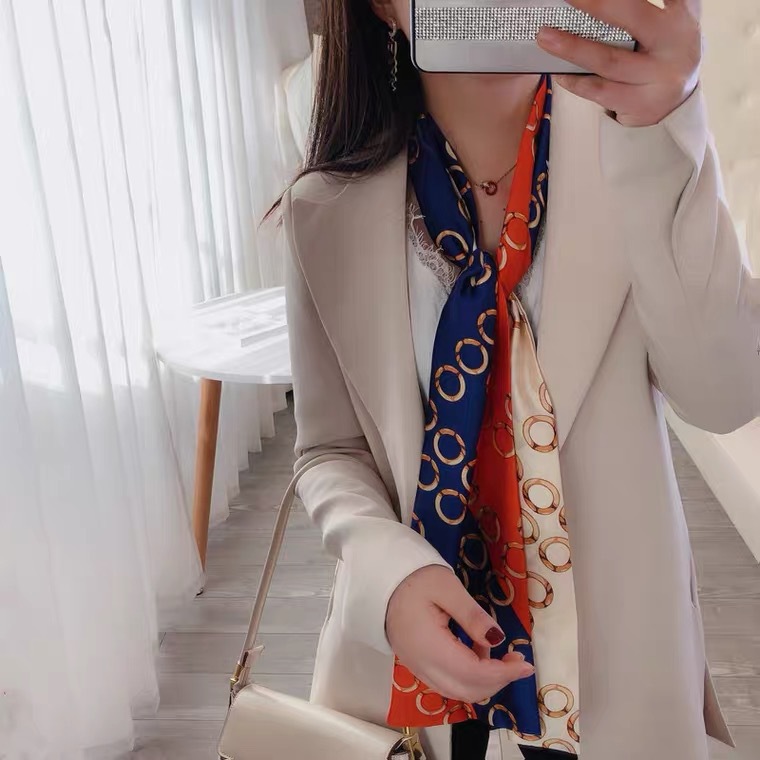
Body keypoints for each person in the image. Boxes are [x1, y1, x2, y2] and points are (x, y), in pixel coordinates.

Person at [278, 1, 759, 759]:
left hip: (617, 674)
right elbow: (329, 450)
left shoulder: (640, 142)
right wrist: (388, 576)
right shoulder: (325, 209)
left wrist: (669, 126)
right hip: (406, 675)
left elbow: (723, 393)